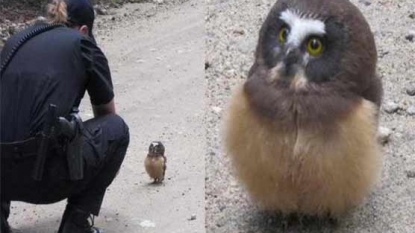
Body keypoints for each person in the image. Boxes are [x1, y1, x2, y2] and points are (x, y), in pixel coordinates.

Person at [0, 0, 130, 232]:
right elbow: (107, 115)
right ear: (84, 30)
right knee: (117, 130)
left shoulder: (14, 42)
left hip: (3, 177)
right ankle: (76, 224)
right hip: (44, 177)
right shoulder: (83, 44)